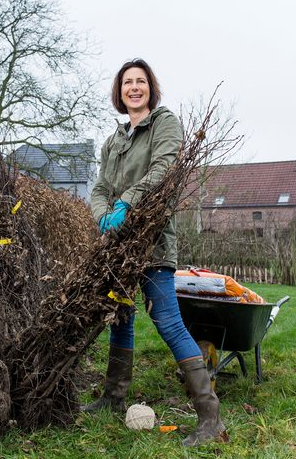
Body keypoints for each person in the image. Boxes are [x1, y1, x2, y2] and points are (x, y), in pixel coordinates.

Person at [83, 58, 227, 446]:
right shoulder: (114, 140)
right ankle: (113, 398)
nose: (134, 88)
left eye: (140, 82)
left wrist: (127, 202)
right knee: (121, 318)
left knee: (167, 320)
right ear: (119, 91)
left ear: (150, 88)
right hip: (120, 247)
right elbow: (99, 187)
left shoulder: (164, 123)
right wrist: (103, 215)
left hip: (153, 242)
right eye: (127, 82)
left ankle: (210, 417)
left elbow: (165, 167)